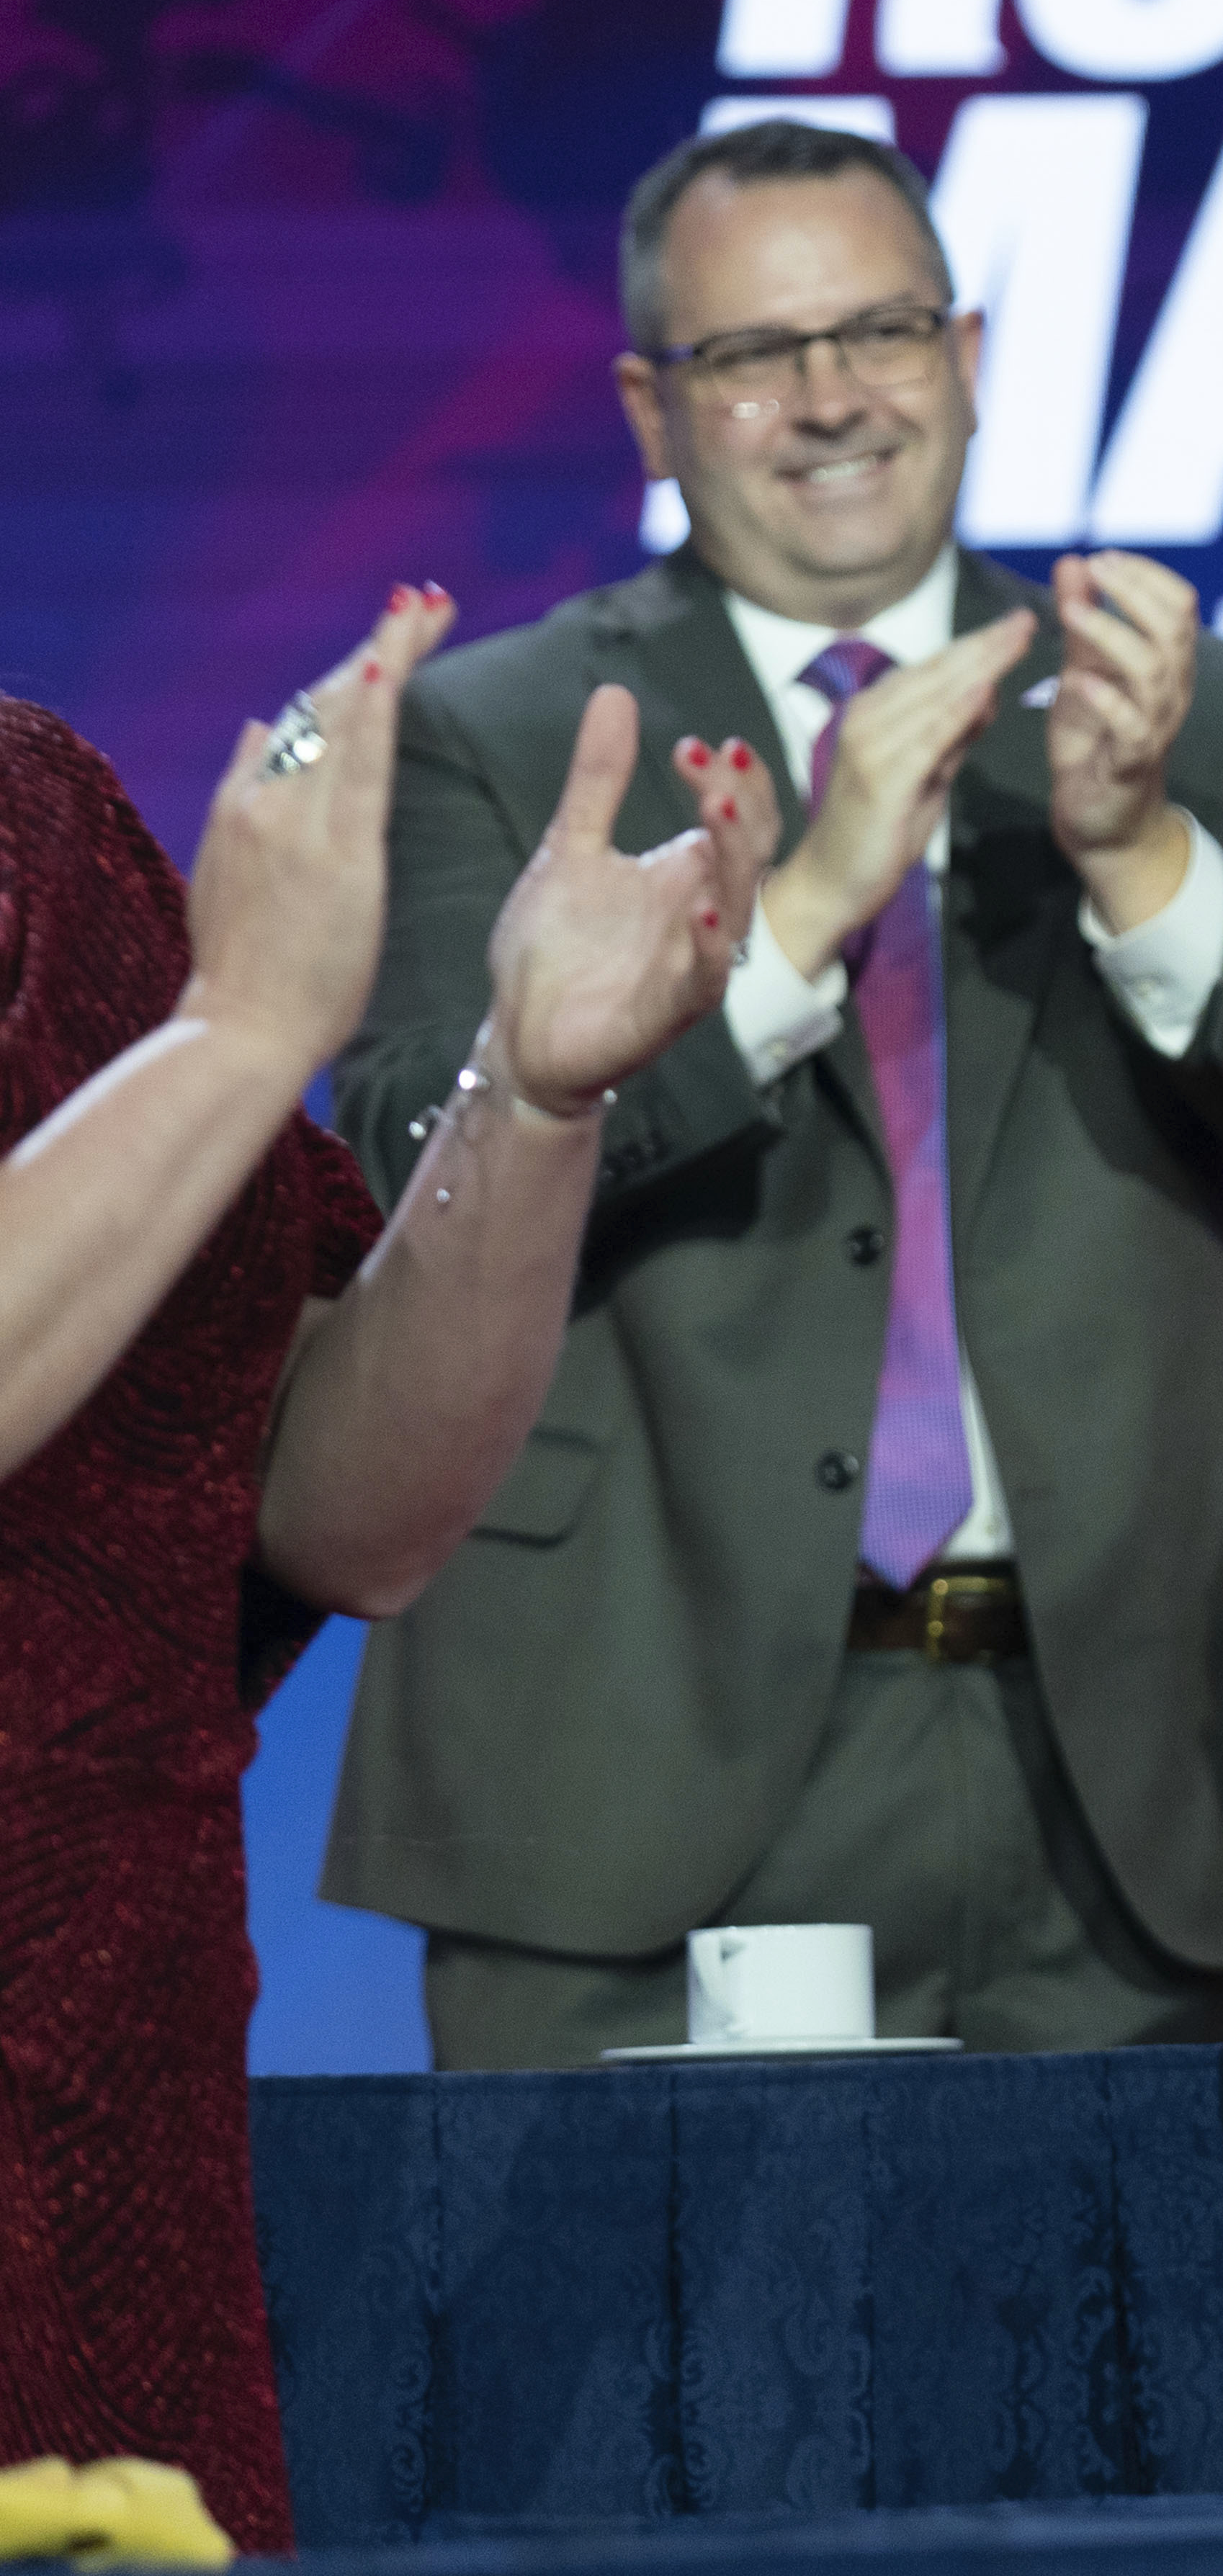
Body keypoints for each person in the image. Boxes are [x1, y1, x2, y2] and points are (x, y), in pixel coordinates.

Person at [328, 118, 1223, 2069]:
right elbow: (400, 1175)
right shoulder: (508, 740)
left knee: (1152, 2379)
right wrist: (799, 916)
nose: (835, 398)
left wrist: (1141, 863)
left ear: (966, 352)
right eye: (757, 356)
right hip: (633, 1757)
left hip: (1141, 1779)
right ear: (651, 408)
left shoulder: (1188, 707)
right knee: (657, 2384)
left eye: (882, 331)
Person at [3, 587, 759, 2550]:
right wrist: (242, 1030)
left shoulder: (39, 830)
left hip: (100, 2137)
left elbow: (341, 1511)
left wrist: (537, 1090)